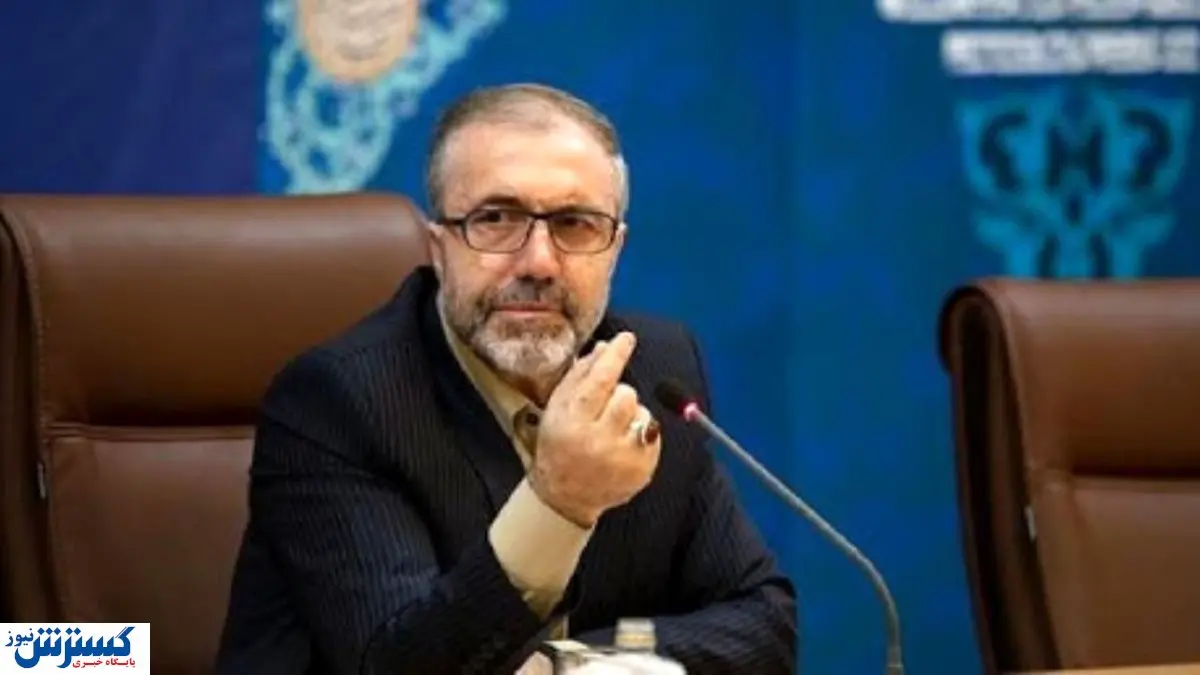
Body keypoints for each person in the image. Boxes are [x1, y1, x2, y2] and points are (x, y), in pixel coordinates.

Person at [216, 83, 796, 675]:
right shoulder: (338, 401)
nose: (539, 262)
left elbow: (765, 624)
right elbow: (395, 664)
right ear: (439, 247)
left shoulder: (655, 371)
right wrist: (560, 503)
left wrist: (563, 667)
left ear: (614, 250)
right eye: (495, 219)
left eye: (574, 223)